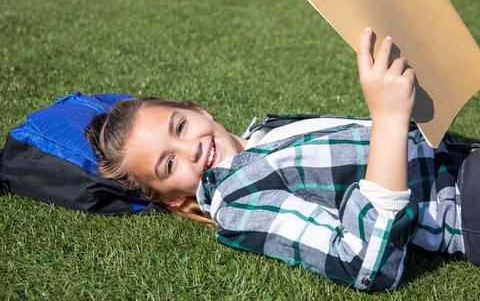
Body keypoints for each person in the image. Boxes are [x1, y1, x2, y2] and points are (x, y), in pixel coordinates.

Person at [85, 28, 480, 291]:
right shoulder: (235, 201)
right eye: (168, 165)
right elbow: (363, 263)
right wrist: (389, 118)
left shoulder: (266, 133)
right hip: (464, 205)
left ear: (198, 110)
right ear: (170, 198)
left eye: (180, 127)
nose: (189, 149)